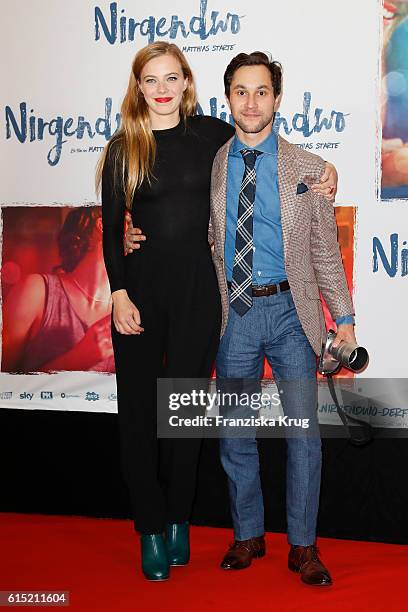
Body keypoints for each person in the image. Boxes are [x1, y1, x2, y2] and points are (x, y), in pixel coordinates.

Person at [106, 42, 338, 582]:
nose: (162, 89)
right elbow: (112, 227)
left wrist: (326, 168)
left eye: (172, 78)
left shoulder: (212, 134)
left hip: (203, 297)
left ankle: (180, 519)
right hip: (140, 295)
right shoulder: (124, 148)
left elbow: (278, 152)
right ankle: (150, 527)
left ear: (187, 83)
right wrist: (118, 290)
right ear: (139, 88)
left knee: (184, 415)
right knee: (142, 413)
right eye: (151, 80)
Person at [2, 207, 114, 373]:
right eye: (129, 222)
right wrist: (79, 357)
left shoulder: (134, 307)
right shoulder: (36, 292)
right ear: (102, 225)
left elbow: (163, 392)